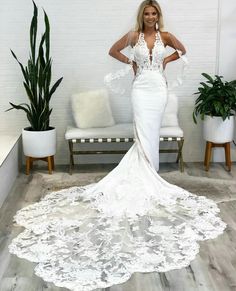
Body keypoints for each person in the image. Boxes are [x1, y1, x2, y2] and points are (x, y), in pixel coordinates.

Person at [9, 1, 226, 291]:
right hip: (140, 90)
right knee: (142, 131)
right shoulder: (132, 36)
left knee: (151, 131)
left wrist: (164, 61)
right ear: (142, 16)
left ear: (158, 16)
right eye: (147, 13)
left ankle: (151, 174)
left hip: (158, 88)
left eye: (154, 13)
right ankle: (146, 174)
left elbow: (182, 51)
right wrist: (130, 63)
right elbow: (112, 51)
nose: (150, 17)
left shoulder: (168, 37)